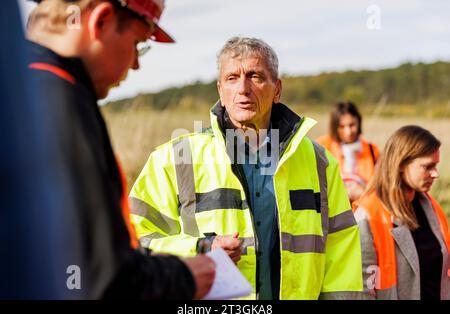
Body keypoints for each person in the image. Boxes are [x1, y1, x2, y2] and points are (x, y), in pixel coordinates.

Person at [129, 36, 364, 300]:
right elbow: (134, 242)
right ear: (220, 90)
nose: (243, 88)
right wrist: (199, 248)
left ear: (277, 90)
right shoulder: (174, 159)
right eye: (232, 78)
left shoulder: (319, 162)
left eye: (255, 76)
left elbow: (341, 254)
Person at [24, 0, 215, 299]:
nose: (135, 64)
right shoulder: (65, 104)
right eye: (138, 43)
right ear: (101, 20)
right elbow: (103, 279)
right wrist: (185, 277)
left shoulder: (23, 89)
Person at [353, 125, 450, 300]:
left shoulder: (433, 208)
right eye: (428, 166)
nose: (435, 174)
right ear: (401, 164)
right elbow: (361, 291)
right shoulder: (367, 217)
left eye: (436, 166)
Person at [317, 102, 379, 202]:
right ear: (334, 126)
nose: (348, 132)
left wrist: (363, 193)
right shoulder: (322, 146)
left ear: (359, 122)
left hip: (362, 208)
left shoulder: (372, 150)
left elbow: (379, 187)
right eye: (342, 126)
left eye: (352, 125)